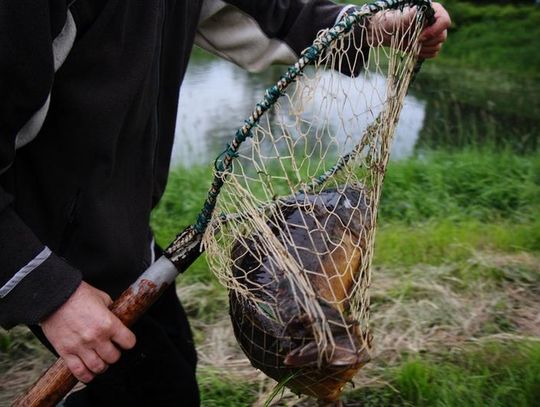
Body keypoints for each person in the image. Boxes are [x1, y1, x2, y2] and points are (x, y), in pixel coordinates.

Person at [0, 1, 450, 405]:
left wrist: (374, 27)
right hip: (35, 233)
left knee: (169, 360)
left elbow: (274, 13)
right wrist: (49, 291)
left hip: (115, 223)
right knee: (159, 389)